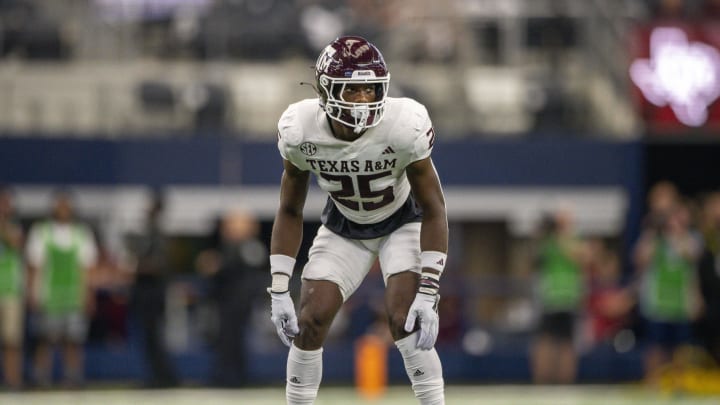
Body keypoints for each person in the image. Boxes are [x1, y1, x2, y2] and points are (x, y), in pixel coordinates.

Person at [268, 35, 448, 404]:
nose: (365, 99)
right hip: (344, 225)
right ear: (326, 89)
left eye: (371, 89)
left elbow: (434, 207)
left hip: (401, 221)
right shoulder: (301, 130)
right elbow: (290, 209)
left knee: (405, 321)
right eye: (353, 90)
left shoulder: (403, 125)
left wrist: (429, 293)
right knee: (311, 319)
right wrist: (279, 287)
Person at [25, 190, 98, 387]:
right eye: (60, 205)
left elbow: (87, 268)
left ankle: (72, 376)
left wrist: (88, 294)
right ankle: (41, 377)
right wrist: (33, 293)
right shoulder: (41, 231)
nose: (63, 209)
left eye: (67, 206)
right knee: (45, 339)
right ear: (53, 208)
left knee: (73, 340)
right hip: (49, 296)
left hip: (74, 296)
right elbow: (34, 266)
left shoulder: (82, 233)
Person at [196, 209, 268, 387]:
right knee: (226, 338)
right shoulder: (231, 246)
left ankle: (232, 377)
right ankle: (230, 376)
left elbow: (236, 268)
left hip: (237, 299)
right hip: (228, 298)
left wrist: (215, 265)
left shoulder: (248, 246)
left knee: (231, 338)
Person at [126, 191, 179, 388]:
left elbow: (159, 265)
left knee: (155, 336)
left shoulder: (157, 234)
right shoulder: (149, 232)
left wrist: (135, 267)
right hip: (146, 291)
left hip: (153, 292)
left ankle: (165, 377)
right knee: (149, 336)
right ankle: (158, 375)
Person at [530, 208, 588, 384]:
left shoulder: (574, 240)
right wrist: (542, 234)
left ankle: (565, 385)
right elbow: (534, 259)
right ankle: (541, 384)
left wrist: (560, 236)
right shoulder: (547, 242)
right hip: (549, 299)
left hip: (569, 300)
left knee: (567, 344)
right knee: (544, 342)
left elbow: (582, 256)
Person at [0, 186, 25, 390]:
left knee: (11, 340)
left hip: (10, 291)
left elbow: (15, 243)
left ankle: (12, 380)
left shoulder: (14, 226)